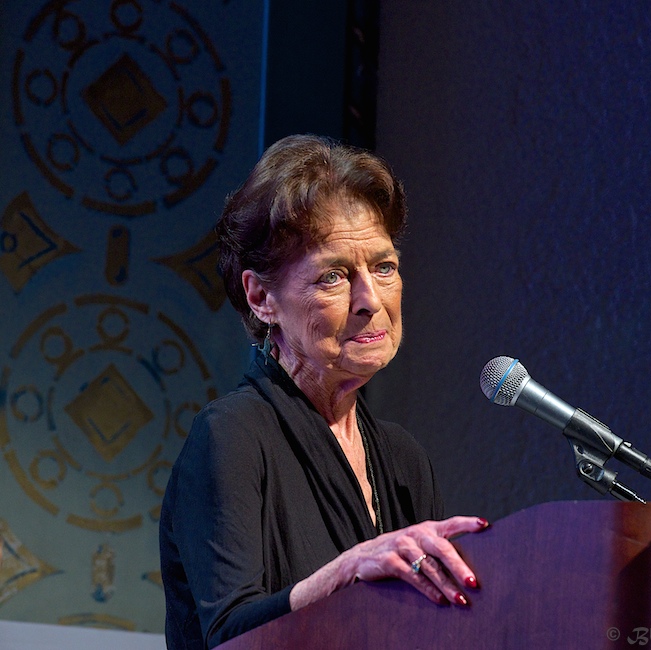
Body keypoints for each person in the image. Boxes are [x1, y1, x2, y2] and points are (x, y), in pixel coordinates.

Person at [159, 134, 489, 649]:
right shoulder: (233, 437)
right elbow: (227, 636)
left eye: (384, 267)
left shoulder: (403, 460)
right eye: (334, 276)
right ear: (261, 296)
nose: (371, 300)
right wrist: (350, 569)